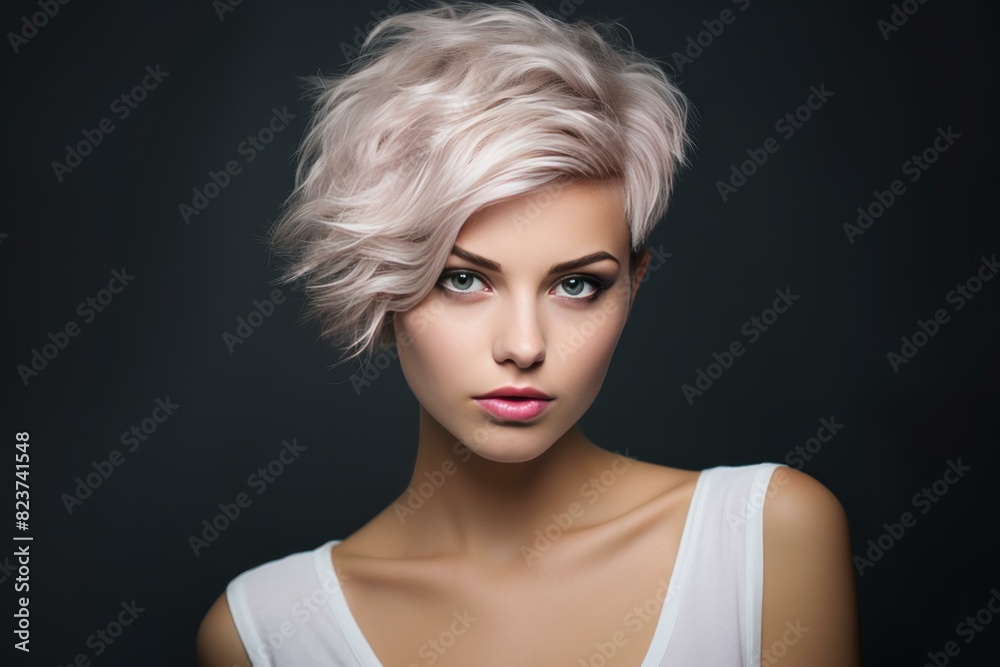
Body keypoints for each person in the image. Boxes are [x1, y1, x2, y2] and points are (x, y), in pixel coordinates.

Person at [196, 2, 862, 665]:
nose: (524, 345)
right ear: (386, 282)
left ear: (634, 284)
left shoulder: (763, 537)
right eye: (464, 280)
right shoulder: (267, 632)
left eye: (576, 285)